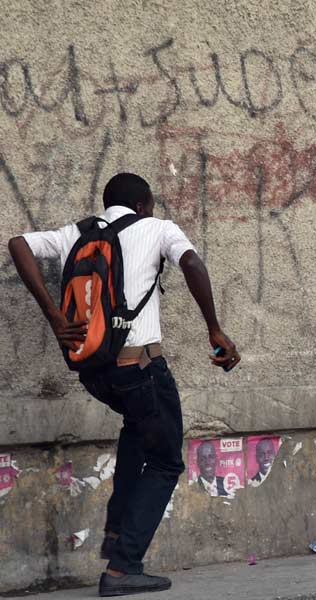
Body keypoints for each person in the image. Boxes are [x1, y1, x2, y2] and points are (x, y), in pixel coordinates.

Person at [8, 172, 240, 597]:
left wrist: (56, 319)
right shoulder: (158, 228)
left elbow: (17, 244)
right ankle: (123, 566)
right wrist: (215, 329)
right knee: (167, 460)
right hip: (141, 370)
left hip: (97, 374)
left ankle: (116, 534)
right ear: (144, 203)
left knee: (137, 430)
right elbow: (190, 261)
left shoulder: (77, 233)